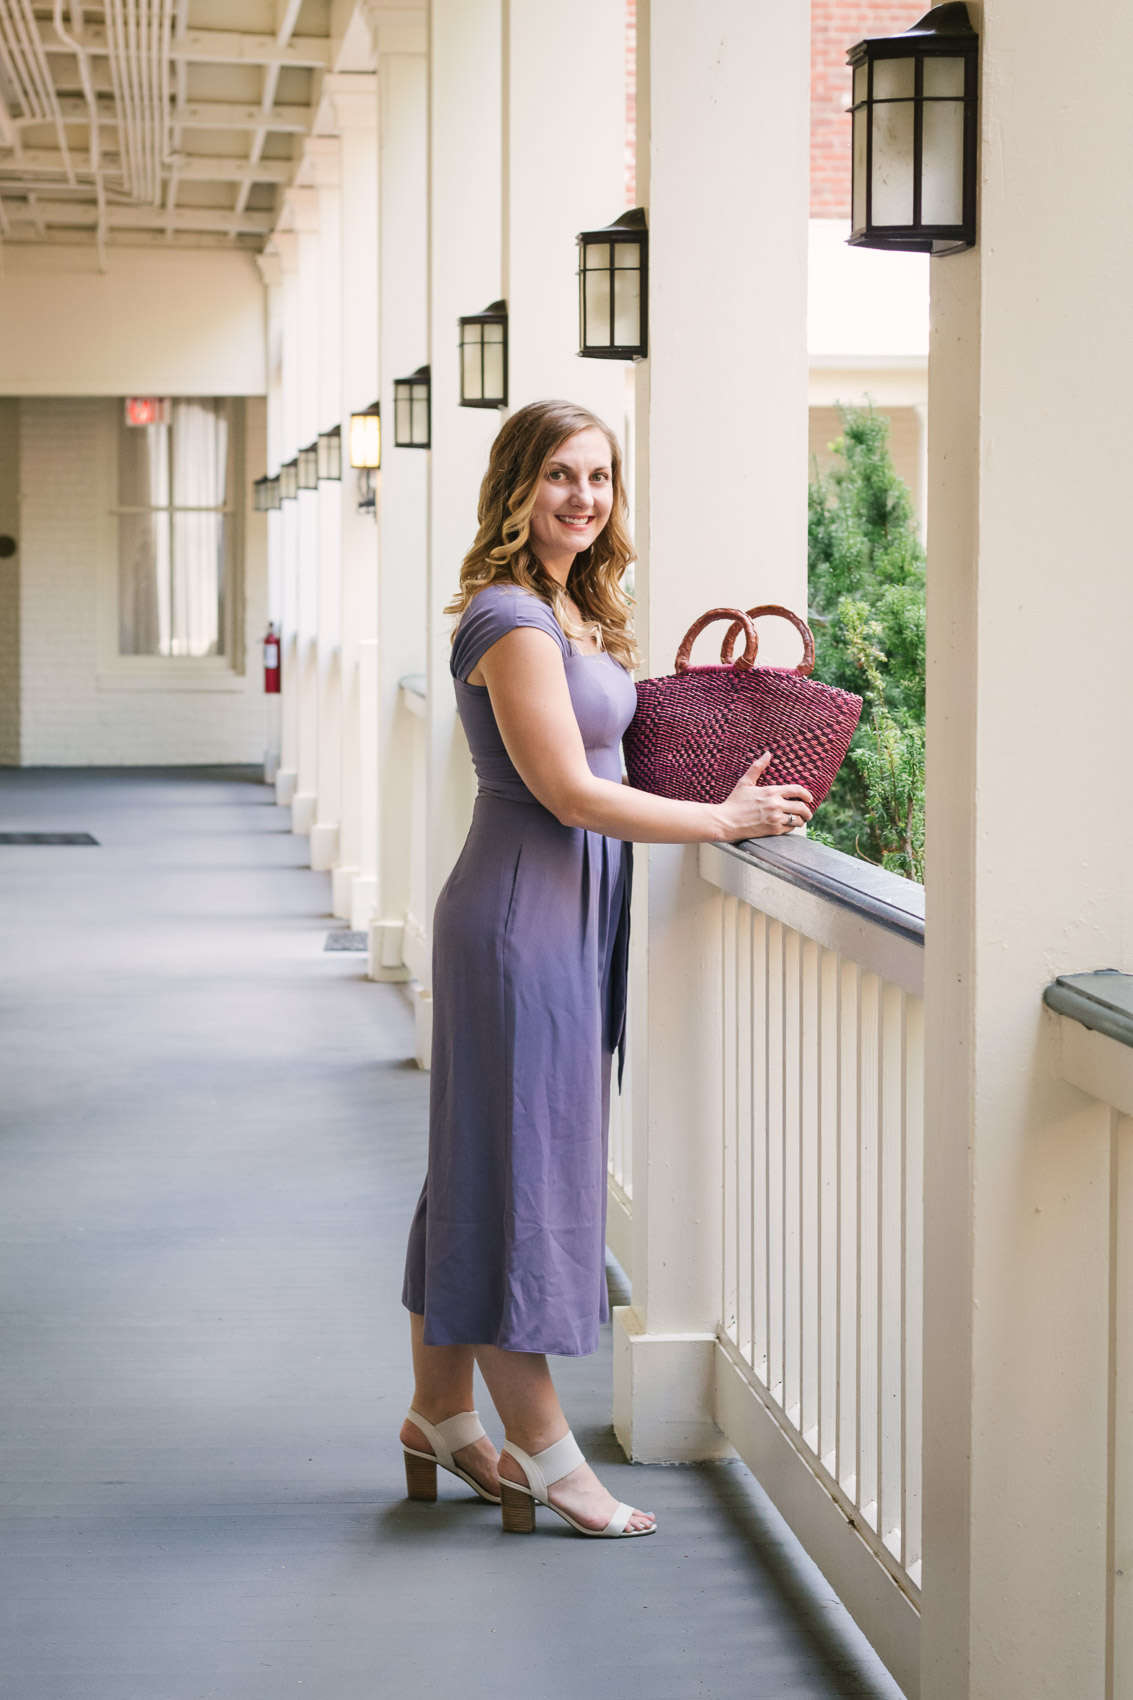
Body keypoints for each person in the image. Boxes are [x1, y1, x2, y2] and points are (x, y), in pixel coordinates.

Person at [400, 400, 813, 1539]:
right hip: (516, 917)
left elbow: (610, 750)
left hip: (570, 914)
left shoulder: (575, 609)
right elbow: (569, 791)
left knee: (485, 1155)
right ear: (515, 486)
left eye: (599, 476)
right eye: (558, 475)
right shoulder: (507, 620)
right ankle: (549, 1455)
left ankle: (439, 1412)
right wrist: (717, 816)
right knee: (514, 1174)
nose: (582, 496)